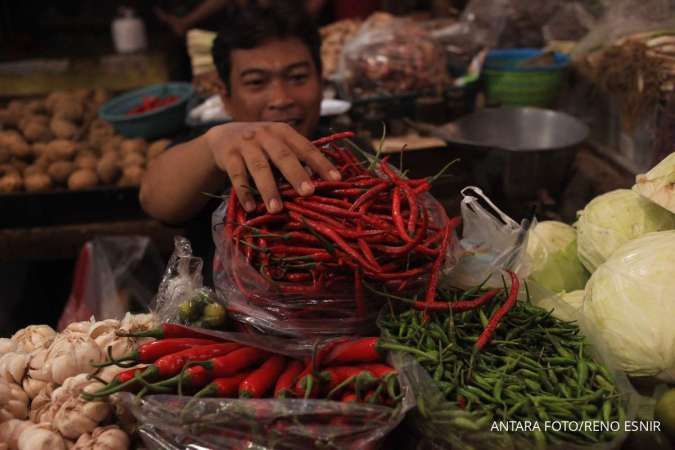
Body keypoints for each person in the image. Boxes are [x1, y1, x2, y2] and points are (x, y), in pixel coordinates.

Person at [140, 0, 341, 226]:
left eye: (298, 77)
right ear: (225, 97)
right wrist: (212, 146)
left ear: (322, 82)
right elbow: (153, 200)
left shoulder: (346, 152)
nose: (281, 99)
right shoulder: (209, 158)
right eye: (256, 82)